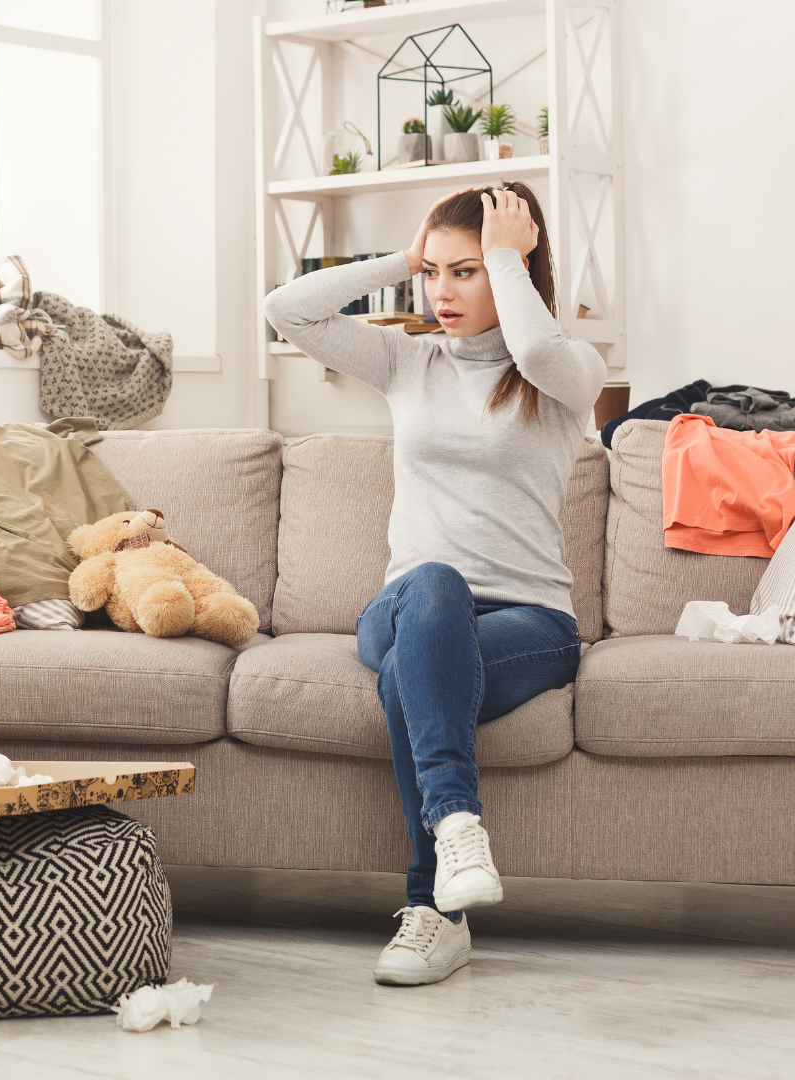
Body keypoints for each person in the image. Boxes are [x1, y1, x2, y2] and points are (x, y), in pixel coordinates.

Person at [263, 183, 606, 987]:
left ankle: (433, 913)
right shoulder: (407, 359)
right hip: (408, 601)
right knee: (433, 588)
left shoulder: (564, 376)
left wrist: (506, 257)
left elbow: (537, 352)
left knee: (412, 682)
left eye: (467, 273)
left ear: (514, 271)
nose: (441, 294)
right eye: (433, 274)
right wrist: (399, 257)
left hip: (530, 621)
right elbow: (287, 308)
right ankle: (457, 826)